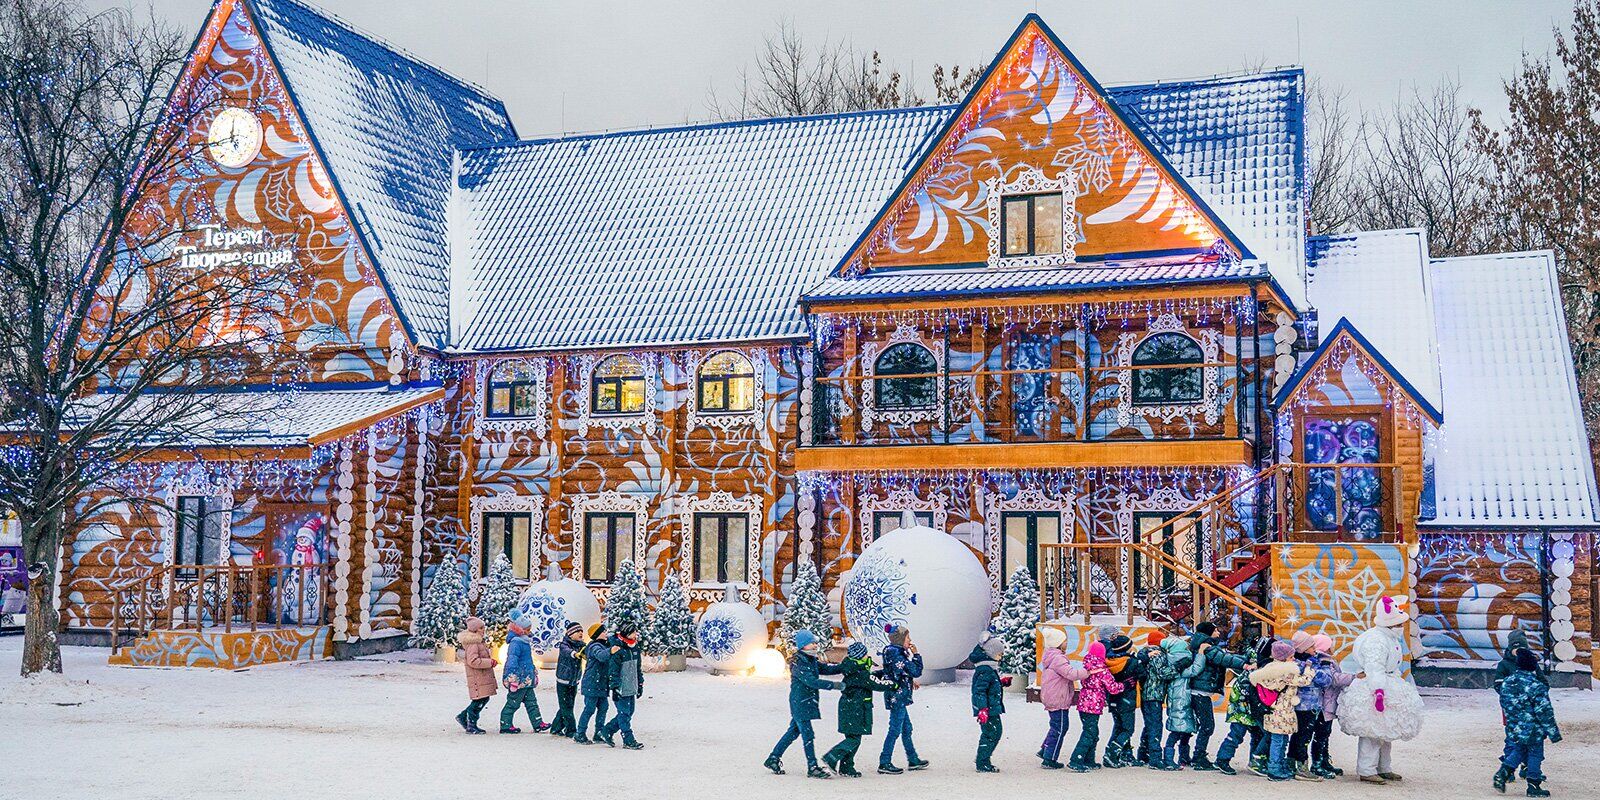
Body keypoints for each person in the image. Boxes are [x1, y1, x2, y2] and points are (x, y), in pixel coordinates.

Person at [1337, 595, 1425, 785]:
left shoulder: (1388, 637)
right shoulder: (1376, 641)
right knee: (1373, 731)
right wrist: (1379, 691)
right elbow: (1374, 667)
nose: (1401, 627)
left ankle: (1384, 767)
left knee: (1386, 731)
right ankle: (1367, 769)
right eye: (1398, 624)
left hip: (1389, 683)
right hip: (1375, 688)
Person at [765, 630, 843, 778]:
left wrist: (844, 666)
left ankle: (773, 758)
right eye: (811, 642)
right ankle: (812, 767)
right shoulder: (799, 662)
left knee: (793, 732)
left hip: (805, 701)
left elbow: (826, 669)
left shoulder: (810, 658)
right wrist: (834, 686)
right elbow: (811, 681)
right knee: (808, 734)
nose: (815, 644)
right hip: (800, 702)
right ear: (803, 645)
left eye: (814, 642)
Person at [822, 641, 897, 777]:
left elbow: (870, 678)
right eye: (865, 654)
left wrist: (880, 673)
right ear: (860, 656)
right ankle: (831, 757)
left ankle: (846, 767)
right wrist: (893, 685)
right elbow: (875, 684)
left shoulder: (854, 668)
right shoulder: (859, 672)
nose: (867, 656)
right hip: (855, 708)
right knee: (854, 739)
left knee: (853, 738)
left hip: (850, 707)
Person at [1495, 648, 1561, 797]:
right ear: (1532, 667)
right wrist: (1553, 732)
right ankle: (1533, 785)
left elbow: (1505, 703)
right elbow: (1545, 712)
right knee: (1535, 753)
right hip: (1533, 728)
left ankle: (1503, 773)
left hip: (1515, 726)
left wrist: (1514, 722)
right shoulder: (1536, 686)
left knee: (1519, 750)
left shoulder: (1507, 683)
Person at [1187, 620, 1248, 771]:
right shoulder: (1206, 647)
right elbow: (1224, 659)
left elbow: (1225, 656)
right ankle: (1198, 756)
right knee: (1207, 726)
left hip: (1200, 690)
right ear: (1209, 632)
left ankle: (1193, 755)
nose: (1218, 632)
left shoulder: (1204, 644)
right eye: (1215, 630)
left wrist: (1245, 660)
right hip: (1200, 691)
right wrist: (1245, 664)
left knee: (1203, 725)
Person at [1250, 639, 1313, 781]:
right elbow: (1304, 681)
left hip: (1273, 709)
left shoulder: (1269, 669)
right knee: (1279, 741)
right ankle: (1274, 769)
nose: (1294, 659)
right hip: (1282, 711)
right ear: (1284, 658)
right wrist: (1309, 668)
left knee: (1279, 739)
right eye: (1291, 657)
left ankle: (1278, 766)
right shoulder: (1286, 671)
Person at [877, 624, 928, 773]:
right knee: (894, 729)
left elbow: (896, 673)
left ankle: (913, 759)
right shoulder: (897, 655)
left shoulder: (893, 653)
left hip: (898, 695)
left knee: (906, 729)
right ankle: (884, 762)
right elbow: (915, 670)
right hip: (897, 697)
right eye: (907, 637)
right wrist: (916, 655)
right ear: (900, 640)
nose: (910, 640)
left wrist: (910, 681)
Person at [1067, 640, 1125, 771]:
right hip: (1093, 705)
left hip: (1083, 704)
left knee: (1092, 732)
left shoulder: (1086, 667)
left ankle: (1089, 760)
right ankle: (1076, 759)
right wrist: (1124, 685)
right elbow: (1113, 688)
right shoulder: (1103, 671)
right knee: (1090, 733)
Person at [1213, 639, 1268, 776]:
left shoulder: (1258, 667)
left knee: (1257, 733)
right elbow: (1247, 690)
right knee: (1237, 733)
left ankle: (1255, 761)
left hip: (1250, 707)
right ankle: (1222, 759)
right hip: (1242, 707)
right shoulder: (1253, 672)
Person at [1037, 627, 1087, 769]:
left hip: (1052, 696)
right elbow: (1071, 674)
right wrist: (1088, 671)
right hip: (1058, 698)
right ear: (1058, 643)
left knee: (1055, 726)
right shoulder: (1058, 658)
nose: (1066, 643)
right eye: (1064, 640)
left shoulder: (1051, 655)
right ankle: (1049, 759)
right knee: (1060, 728)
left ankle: (1045, 750)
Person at [1286, 631, 1332, 780]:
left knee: (1298, 735)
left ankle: (1291, 763)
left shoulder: (1299, 662)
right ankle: (1302, 767)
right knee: (1304, 736)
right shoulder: (1307, 665)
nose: (1315, 649)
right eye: (1312, 646)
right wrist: (1325, 666)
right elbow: (1325, 680)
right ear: (1304, 648)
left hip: (1303, 705)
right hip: (1307, 706)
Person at [1159, 633, 1207, 770]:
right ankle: (1168, 758)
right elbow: (1195, 669)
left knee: (1186, 730)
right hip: (1180, 703)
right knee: (1177, 731)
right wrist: (1201, 654)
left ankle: (1184, 757)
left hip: (1181, 701)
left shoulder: (1175, 664)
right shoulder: (1180, 666)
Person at [1311, 633, 1354, 778]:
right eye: (1330, 645)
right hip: (1324, 705)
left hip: (1327, 704)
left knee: (1325, 734)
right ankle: (1317, 764)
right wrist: (1353, 678)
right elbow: (1334, 679)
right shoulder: (1324, 661)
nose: (1332, 647)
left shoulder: (1326, 659)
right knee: (1321, 734)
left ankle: (1324, 761)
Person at [499, 616, 550, 734]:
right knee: (513, 703)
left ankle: (538, 723)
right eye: (527, 629)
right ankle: (505, 724)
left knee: (532, 703)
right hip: (518, 680)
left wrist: (533, 671)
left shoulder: (524, 641)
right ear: (519, 630)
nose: (529, 631)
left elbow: (527, 660)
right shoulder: (516, 643)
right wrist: (512, 678)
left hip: (526, 679)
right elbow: (512, 661)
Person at [1099, 626, 1141, 768]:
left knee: (1118, 727)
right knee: (1128, 729)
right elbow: (1142, 674)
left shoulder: (1109, 661)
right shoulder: (1132, 662)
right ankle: (1112, 752)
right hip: (1127, 699)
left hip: (1114, 698)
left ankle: (1120, 755)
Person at [600, 623, 645, 749]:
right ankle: (628, 738)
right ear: (626, 633)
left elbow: (637, 668)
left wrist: (640, 684)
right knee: (624, 713)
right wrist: (614, 687)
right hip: (621, 686)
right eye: (632, 632)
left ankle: (607, 730)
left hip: (631, 685)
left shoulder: (635, 648)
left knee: (629, 712)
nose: (635, 634)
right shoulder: (618, 649)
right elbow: (613, 671)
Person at [970, 634, 1009, 773]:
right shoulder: (985, 670)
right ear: (991, 654)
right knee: (991, 733)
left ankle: (983, 757)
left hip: (991, 708)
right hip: (988, 709)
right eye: (999, 654)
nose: (1001, 656)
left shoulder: (989, 668)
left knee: (993, 732)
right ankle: (982, 761)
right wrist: (982, 709)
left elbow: (988, 687)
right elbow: (979, 691)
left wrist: (1001, 682)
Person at [454, 616, 498, 734]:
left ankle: (463, 717)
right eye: (481, 628)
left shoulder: (478, 641)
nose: (483, 630)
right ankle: (471, 724)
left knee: (483, 698)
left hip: (481, 676)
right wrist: (489, 662)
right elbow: (473, 661)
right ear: (474, 630)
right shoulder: (473, 643)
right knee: (479, 699)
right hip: (477, 677)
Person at [1136, 630, 1173, 768]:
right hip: (1154, 694)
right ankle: (1155, 758)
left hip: (1146, 693)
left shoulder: (1145, 652)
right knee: (1156, 726)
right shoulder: (1158, 655)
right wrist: (1177, 668)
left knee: (1149, 724)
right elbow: (1162, 673)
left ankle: (1143, 753)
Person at [575, 622, 610, 744]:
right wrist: (611, 650)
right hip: (592, 683)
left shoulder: (604, 645)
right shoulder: (595, 646)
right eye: (603, 632)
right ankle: (580, 733)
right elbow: (602, 656)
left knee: (603, 707)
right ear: (597, 634)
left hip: (601, 683)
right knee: (589, 708)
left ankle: (599, 733)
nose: (606, 633)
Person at [549, 621, 585, 737]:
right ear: (570, 634)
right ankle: (571, 730)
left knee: (566, 706)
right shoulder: (564, 644)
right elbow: (567, 652)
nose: (580, 633)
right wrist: (575, 654)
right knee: (567, 707)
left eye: (581, 631)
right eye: (577, 631)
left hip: (574, 681)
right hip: (563, 681)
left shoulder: (581, 645)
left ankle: (556, 727)